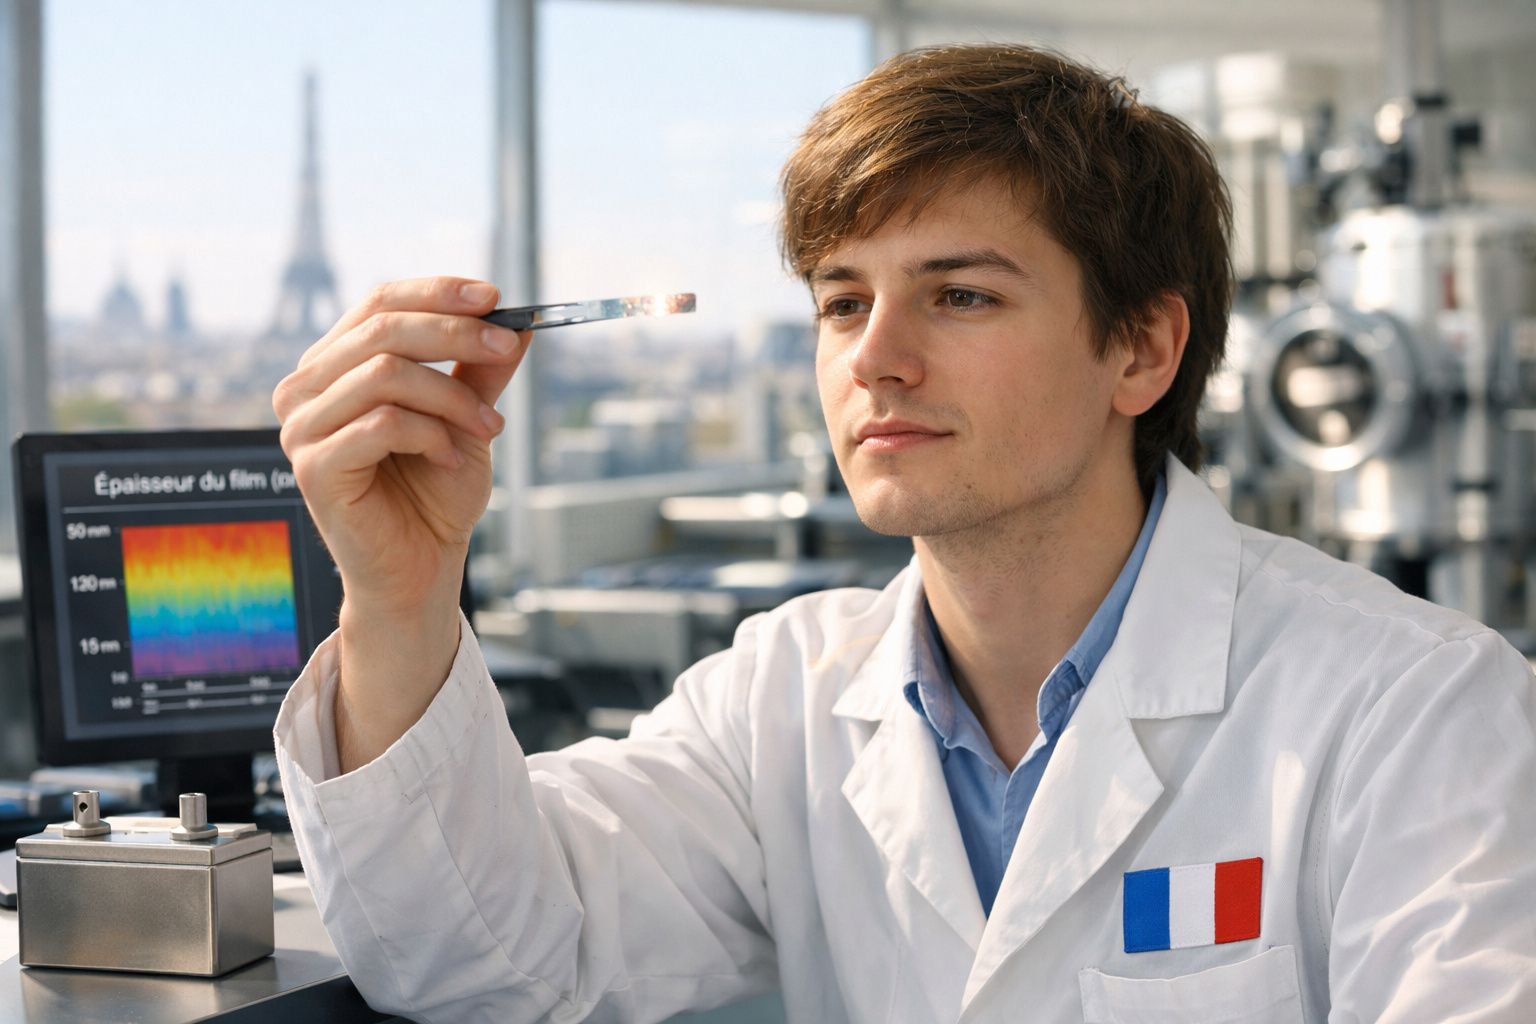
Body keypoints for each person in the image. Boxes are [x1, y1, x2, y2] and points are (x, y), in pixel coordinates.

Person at [271, 43, 1536, 1024]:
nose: (875, 359)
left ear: (1142, 348)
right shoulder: (779, 699)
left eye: (961, 295)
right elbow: (491, 962)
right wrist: (402, 598)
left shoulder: (1417, 710)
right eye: (841, 302)